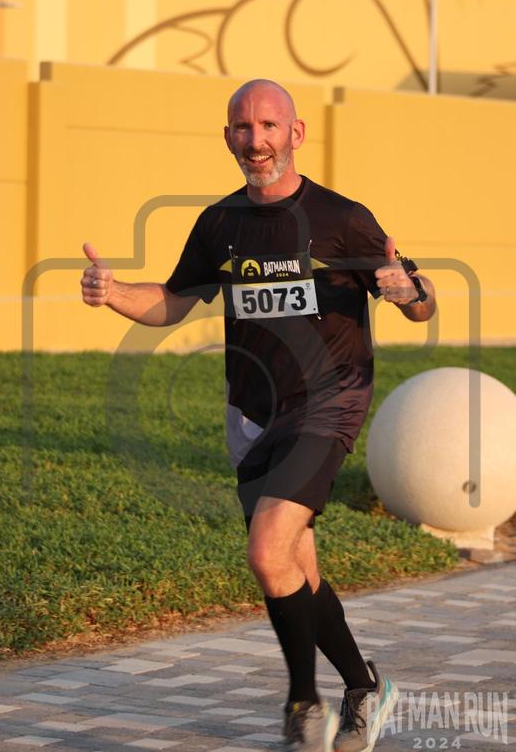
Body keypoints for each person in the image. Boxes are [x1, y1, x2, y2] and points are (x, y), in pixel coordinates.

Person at [81, 79, 436, 752]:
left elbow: (421, 301)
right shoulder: (219, 223)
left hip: (328, 401)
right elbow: (173, 300)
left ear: (295, 133)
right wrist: (113, 291)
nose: (256, 140)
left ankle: (304, 706)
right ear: (228, 138)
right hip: (250, 412)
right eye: (243, 128)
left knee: (267, 551)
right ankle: (365, 687)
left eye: (269, 125)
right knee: (293, 566)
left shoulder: (342, 218)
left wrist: (408, 289)